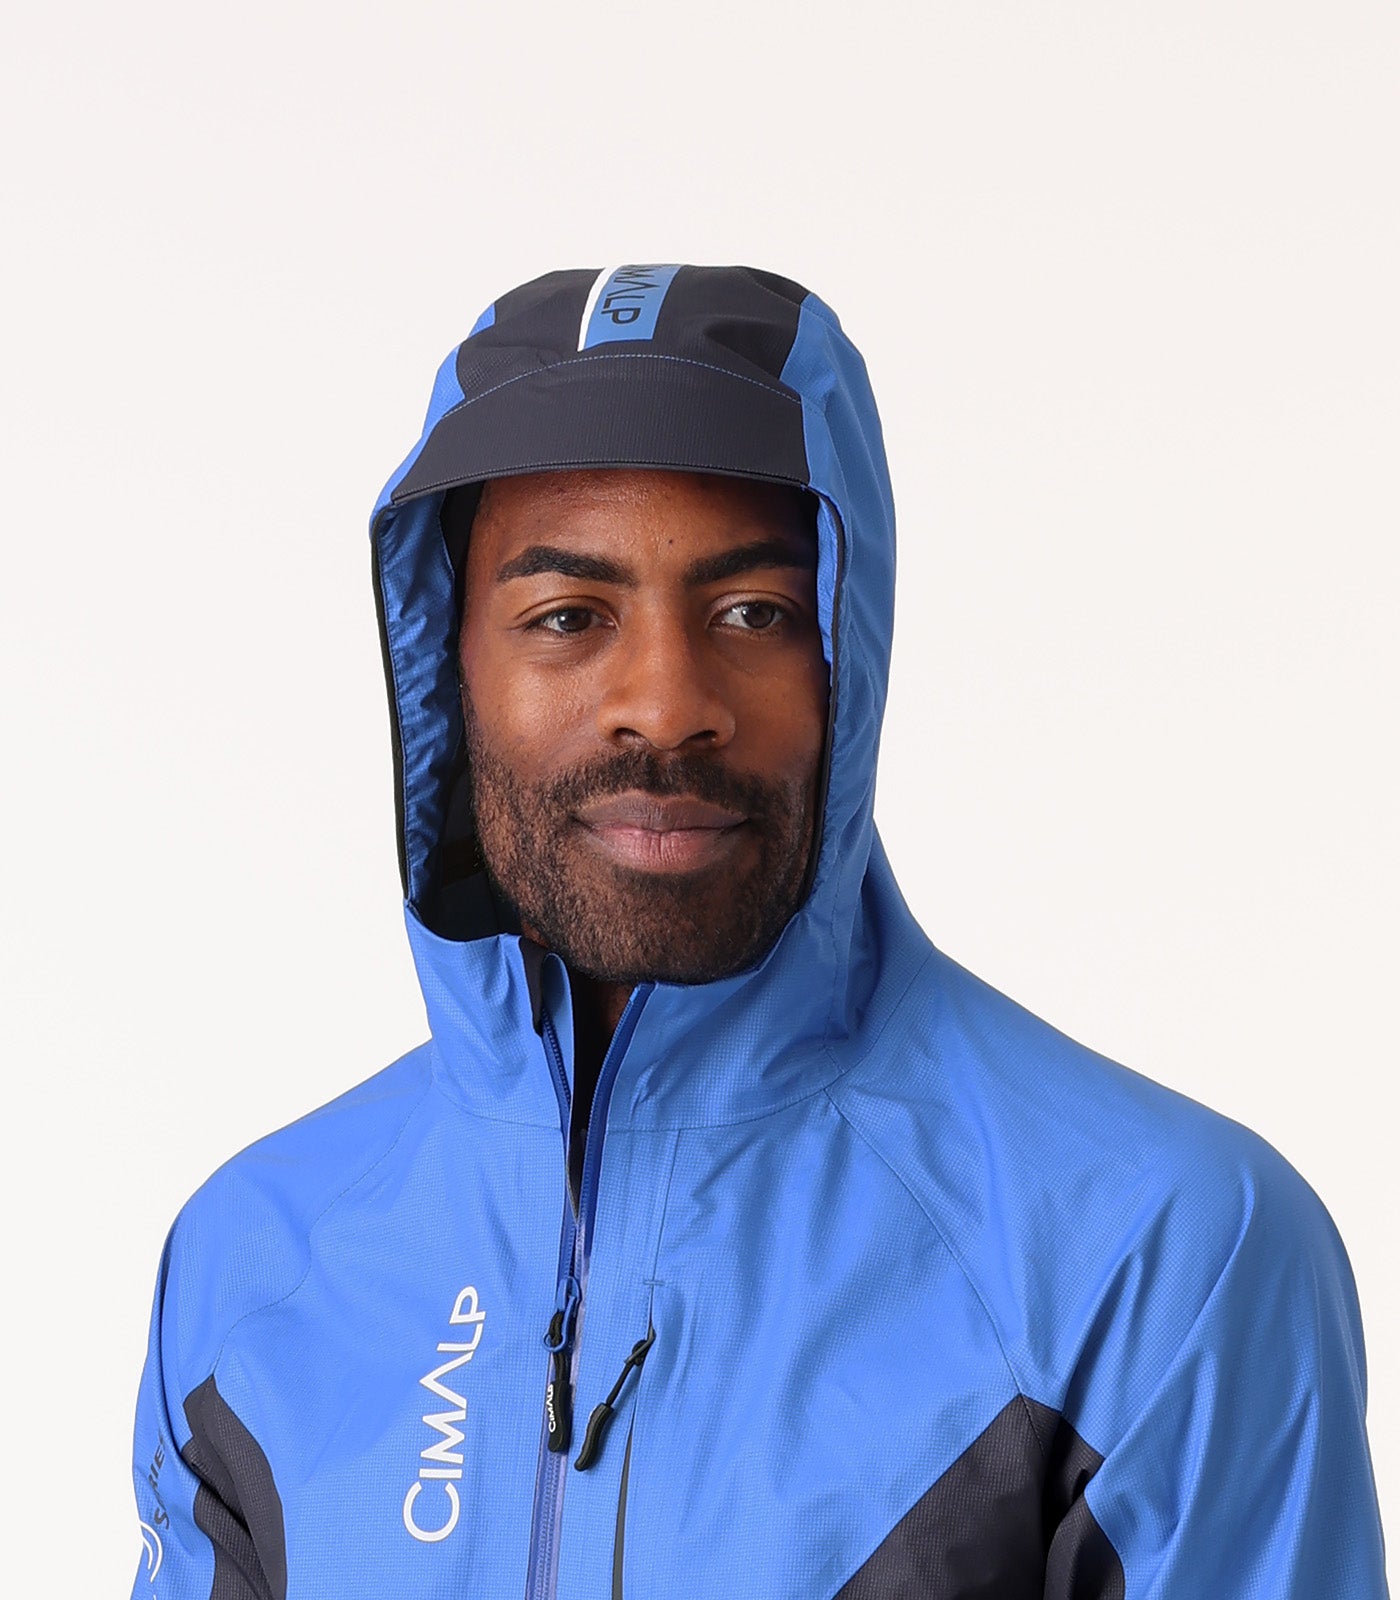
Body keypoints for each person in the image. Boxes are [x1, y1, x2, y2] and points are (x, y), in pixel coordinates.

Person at [129, 264, 1389, 1599]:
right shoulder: (253, 1267)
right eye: (567, 618)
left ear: (848, 650)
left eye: (754, 614)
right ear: (446, 669)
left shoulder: (1151, 1251)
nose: (666, 704)